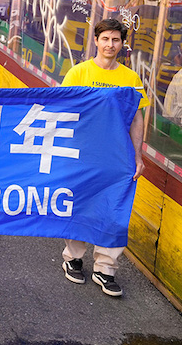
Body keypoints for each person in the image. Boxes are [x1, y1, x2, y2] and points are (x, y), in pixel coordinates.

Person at [59, 18, 147, 297]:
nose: (110, 45)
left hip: (117, 157)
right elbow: (63, 110)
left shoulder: (130, 79)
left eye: (116, 40)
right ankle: (73, 258)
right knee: (81, 205)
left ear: (123, 44)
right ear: (95, 41)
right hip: (83, 153)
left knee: (114, 209)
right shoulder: (78, 73)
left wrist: (138, 156)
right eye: (105, 39)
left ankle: (105, 268)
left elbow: (137, 118)